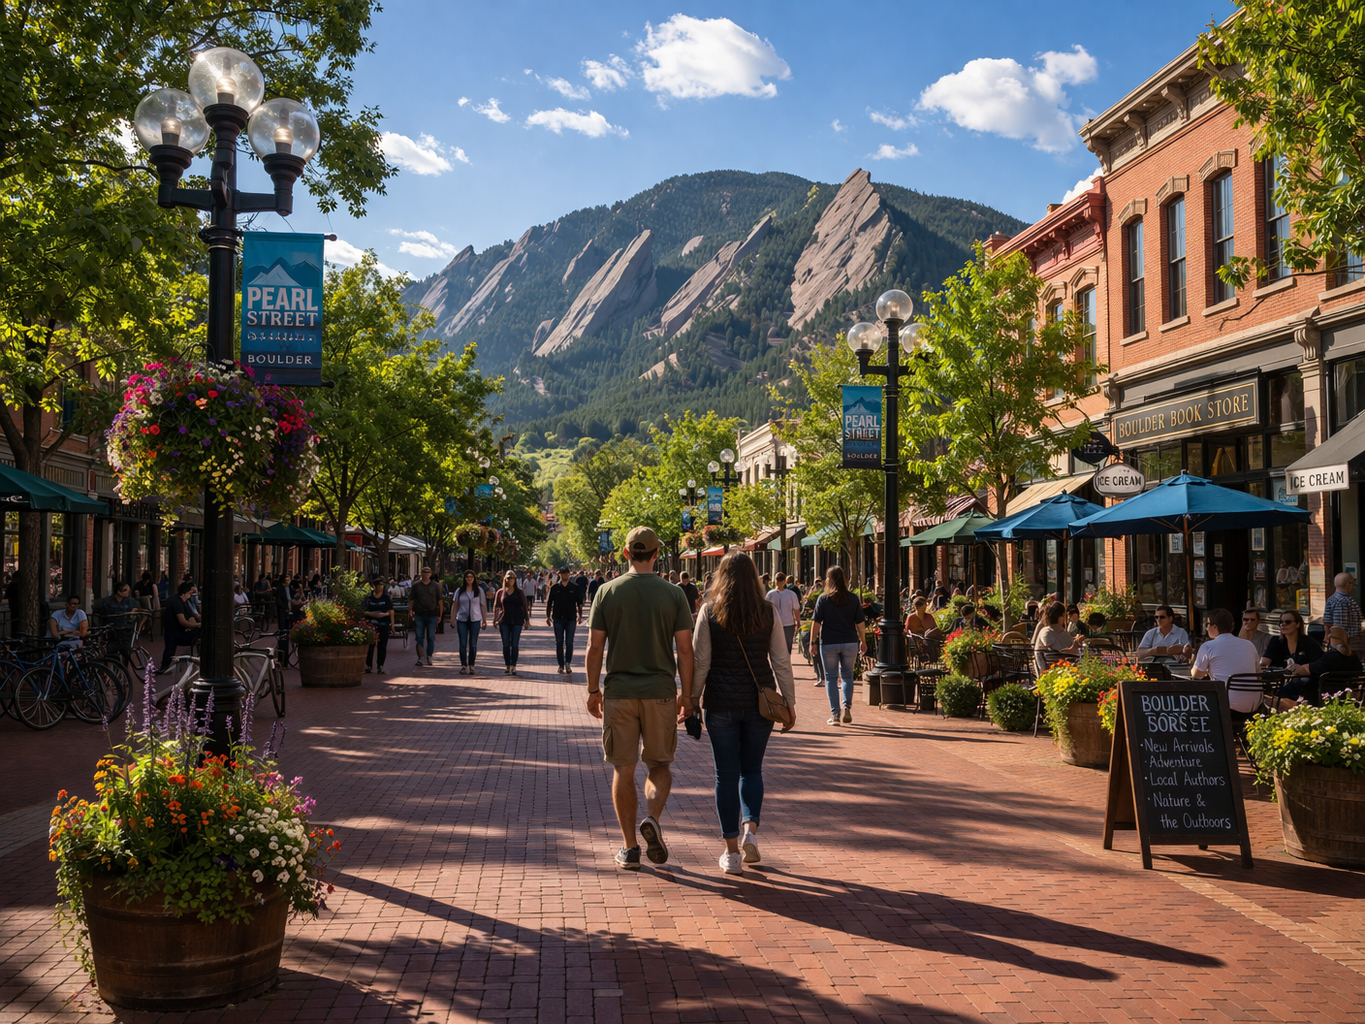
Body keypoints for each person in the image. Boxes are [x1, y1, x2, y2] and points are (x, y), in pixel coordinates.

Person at [584, 526, 695, 870]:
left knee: (624, 768)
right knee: (659, 765)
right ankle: (652, 818)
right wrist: (688, 695)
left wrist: (593, 690)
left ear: (626, 553)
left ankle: (630, 848)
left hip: (619, 693)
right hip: (660, 692)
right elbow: (685, 650)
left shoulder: (607, 592)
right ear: (657, 554)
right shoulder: (673, 594)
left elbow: (594, 647)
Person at [691, 552, 797, 874]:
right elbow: (781, 660)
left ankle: (732, 852)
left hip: (721, 704)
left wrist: (692, 699)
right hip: (758, 705)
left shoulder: (709, 611)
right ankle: (750, 830)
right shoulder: (767, 612)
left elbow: (701, 662)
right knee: (752, 770)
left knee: (725, 775)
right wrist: (789, 703)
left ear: (721, 577)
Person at [809, 565, 866, 726]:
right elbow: (860, 623)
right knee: (847, 676)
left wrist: (812, 642)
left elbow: (816, 622)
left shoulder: (824, 599)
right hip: (849, 642)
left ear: (829, 580)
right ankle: (847, 706)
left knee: (831, 677)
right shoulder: (853, 598)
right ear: (844, 579)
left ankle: (835, 714)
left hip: (829, 642)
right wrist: (863, 641)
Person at [1191, 607, 1262, 714]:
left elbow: (1196, 674)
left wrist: (1205, 671)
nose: (1206, 628)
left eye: (1207, 625)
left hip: (1226, 707)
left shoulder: (1208, 646)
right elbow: (1258, 675)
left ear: (1214, 626)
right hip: (1254, 706)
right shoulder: (1249, 644)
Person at [1283, 625, 1361, 702]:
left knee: (1292, 687)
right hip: (1349, 695)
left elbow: (1307, 670)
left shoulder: (1333, 655)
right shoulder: (1353, 656)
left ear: (1331, 638)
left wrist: (1296, 668)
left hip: (1326, 696)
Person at [546, 567, 584, 673]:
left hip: (571, 618)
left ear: (569, 574)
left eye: (567, 573)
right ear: (560, 575)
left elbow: (579, 604)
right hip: (558, 618)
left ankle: (568, 663)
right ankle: (560, 665)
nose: (565, 575)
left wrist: (580, 616)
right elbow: (549, 603)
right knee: (559, 642)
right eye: (563, 574)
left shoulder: (574, 587)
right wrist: (548, 616)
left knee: (569, 642)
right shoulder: (555, 588)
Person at [1261, 609, 1323, 673]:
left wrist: (1302, 668)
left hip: (1304, 678)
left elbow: (1318, 665)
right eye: (1281, 622)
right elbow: (1265, 661)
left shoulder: (1309, 642)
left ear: (1297, 624)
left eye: (1288, 622)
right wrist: (1263, 664)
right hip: (1280, 678)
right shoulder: (1275, 641)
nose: (1283, 624)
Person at [158, 581, 201, 672]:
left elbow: (190, 617)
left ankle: (164, 667)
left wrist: (195, 624)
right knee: (197, 637)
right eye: (189, 593)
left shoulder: (181, 600)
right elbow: (183, 622)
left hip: (174, 632)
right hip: (175, 633)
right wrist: (198, 625)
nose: (190, 596)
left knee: (169, 650)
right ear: (184, 593)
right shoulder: (177, 603)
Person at [493, 571, 528, 675]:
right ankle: (507, 665)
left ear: (515, 580)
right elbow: (496, 606)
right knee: (506, 644)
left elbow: (524, 606)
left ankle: (514, 665)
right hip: (504, 620)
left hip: (517, 620)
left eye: (512, 578)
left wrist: (527, 619)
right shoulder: (501, 592)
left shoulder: (519, 592)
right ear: (505, 579)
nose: (510, 580)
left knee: (515, 644)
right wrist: (495, 619)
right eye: (508, 578)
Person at [409, 566, 444, 668]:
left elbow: (440, 601)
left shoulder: (435, 586)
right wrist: (410, 610)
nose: (426, 575)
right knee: (419, 636)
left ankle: (429, 656)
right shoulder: (416, 586)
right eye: (424, 573)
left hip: (432, 614)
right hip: (419, 614)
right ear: (422, 574)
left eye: (428, 573)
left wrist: (440, 615)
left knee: (430, 636)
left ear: (430, 574)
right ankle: (420, 657)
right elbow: (411, 599)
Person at [452, 570, 485, 675]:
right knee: (463, 643)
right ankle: (463, 665)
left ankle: (471, 665)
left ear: (474, 578)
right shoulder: (459, 591)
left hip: (475, 619)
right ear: (464, 579)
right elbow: (455, 605)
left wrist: (484, 620)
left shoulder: (479, 590)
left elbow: (483, 605)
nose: (469, 579)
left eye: (471, 577)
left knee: (473, 644)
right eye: (467, 577)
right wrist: (453, 619)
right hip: (462, 619)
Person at [1033, 602, 1081, 674]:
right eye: (1064, 615)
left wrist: (1077, 641)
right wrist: (1074, 647)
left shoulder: (1060, 632)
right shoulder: (1047, 631)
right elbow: (1059, 649)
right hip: (1052, 670)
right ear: (1060, 616)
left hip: (1063, 668)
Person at [362, 576, 394, 675]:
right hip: (371, 623)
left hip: (384, 623)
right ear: (374, 586)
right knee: (370, 645)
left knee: (382, 645)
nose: (380, 588)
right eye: (378, 586)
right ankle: (368, 665)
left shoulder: (386, 597)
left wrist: (392, 624)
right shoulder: (369, 598)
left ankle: (380, 665)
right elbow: (364, 611)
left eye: (381, 586)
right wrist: (373, 614)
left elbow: (391, 611)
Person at [765, 572, 801, 653]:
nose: (779, 582)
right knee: (775, 646)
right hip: (774, 624)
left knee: (787, 646)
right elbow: (766, 610)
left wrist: (797, 621)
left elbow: (796, 609)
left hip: (788, 624)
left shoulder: (791, 594)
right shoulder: (770, 594)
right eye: (778, 579)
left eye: (781, 580)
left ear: (785, 581)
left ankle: (787, 658)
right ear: (775, 581)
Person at [1323, 572, 1362, 645]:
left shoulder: (1332, 599)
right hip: (1348, 642)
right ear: (1348, 585)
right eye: (1353, 583)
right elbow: (1340, 627)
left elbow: (1327, 622)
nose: (1353, 586)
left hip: (1342, 642)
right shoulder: (1342, 602)